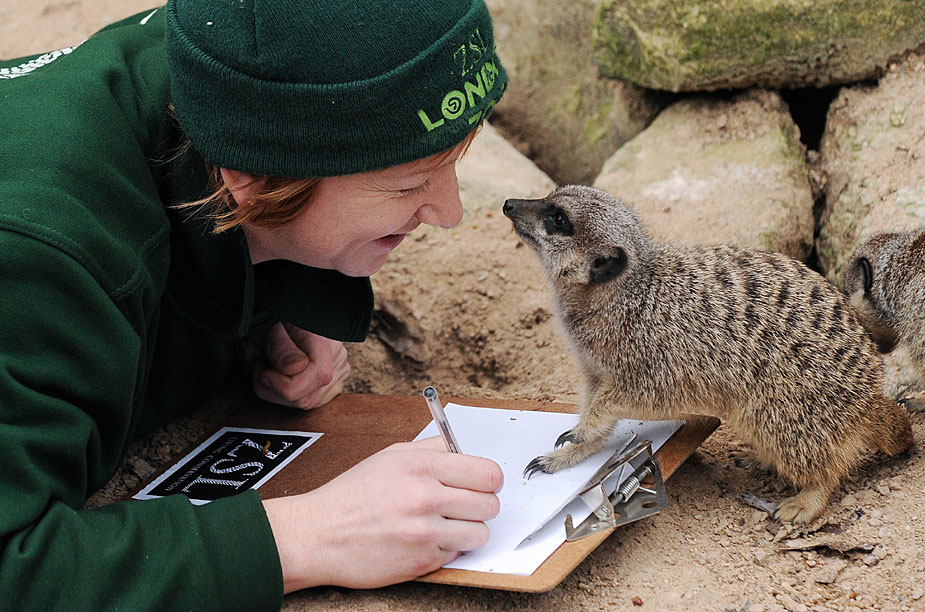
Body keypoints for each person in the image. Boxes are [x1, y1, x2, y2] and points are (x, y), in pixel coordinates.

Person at [0, 0, 508, 609]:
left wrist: (268, 299)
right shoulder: (41, 262)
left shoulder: (234, 53)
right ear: (255, 176)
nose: (450, 213)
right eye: (407, 183)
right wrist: (312, 535)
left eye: (454, 161)